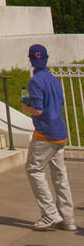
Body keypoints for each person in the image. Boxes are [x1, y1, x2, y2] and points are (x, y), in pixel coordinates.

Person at [21, 43, 77, 231]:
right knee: (60, 176)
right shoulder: (54, 80)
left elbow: (37, 109)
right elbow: (59, 104)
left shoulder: (35, 81)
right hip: (60, 132)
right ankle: (68, 219)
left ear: (31, 60)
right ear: (46, 58)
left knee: (34, 169)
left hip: (45, 133)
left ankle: (50, 213)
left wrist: (25, 107)